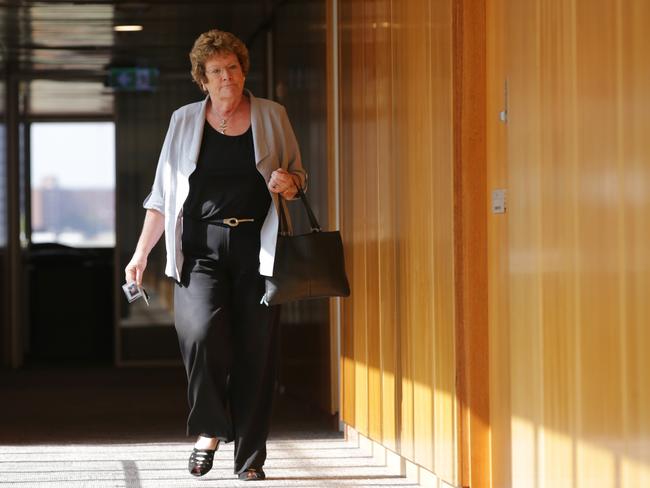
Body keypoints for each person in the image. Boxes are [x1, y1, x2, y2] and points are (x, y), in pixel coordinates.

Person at [124, 28, 306, 481]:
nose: (226, 77)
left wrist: (289, 183)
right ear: (202, 79)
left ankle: (249, 460)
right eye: (215, 71)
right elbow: (162, 196)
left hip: (257, 248)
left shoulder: (272, 115)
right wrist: (141, 253)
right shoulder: (183, 121)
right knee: (202, 336)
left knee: (256, 354)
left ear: (244, 70)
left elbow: (299, 177)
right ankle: (209, 429)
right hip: (200, 249)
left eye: (232, 68)